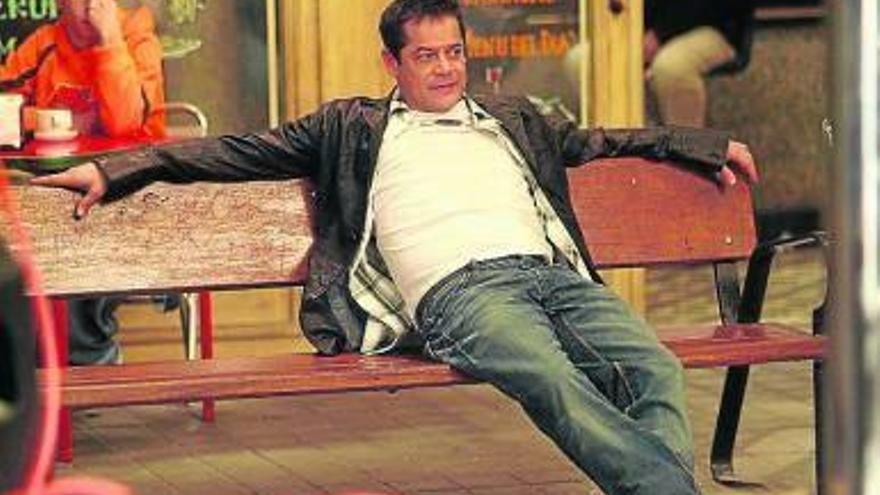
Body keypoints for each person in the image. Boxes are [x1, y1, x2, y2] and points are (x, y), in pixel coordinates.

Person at [33, 0, 758, 493]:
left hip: (551, 277)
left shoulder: (509, 116)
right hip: (461, 293)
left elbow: (604, 140)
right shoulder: (350, 126)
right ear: (392, 63)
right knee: (554, 379)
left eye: (455, 53)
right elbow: (231, 151)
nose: (446, 69)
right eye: (427, 56)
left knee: (654, 367)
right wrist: (115, 169)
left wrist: (704, 144)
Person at [1, 0, 165, 365]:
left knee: (72, 247)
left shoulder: (136, 37)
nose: (94, 5)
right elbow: (3, 106)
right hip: (58, 201)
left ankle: (92, 360)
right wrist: (42, 118)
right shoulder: (44, 43)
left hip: (134, 200)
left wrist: (110, 40)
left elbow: (125, 121)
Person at [644, 0, 756, 127]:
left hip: (712, 25)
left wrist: (660, 33)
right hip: (644, 30)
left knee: (672, 65)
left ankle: (685, 137)